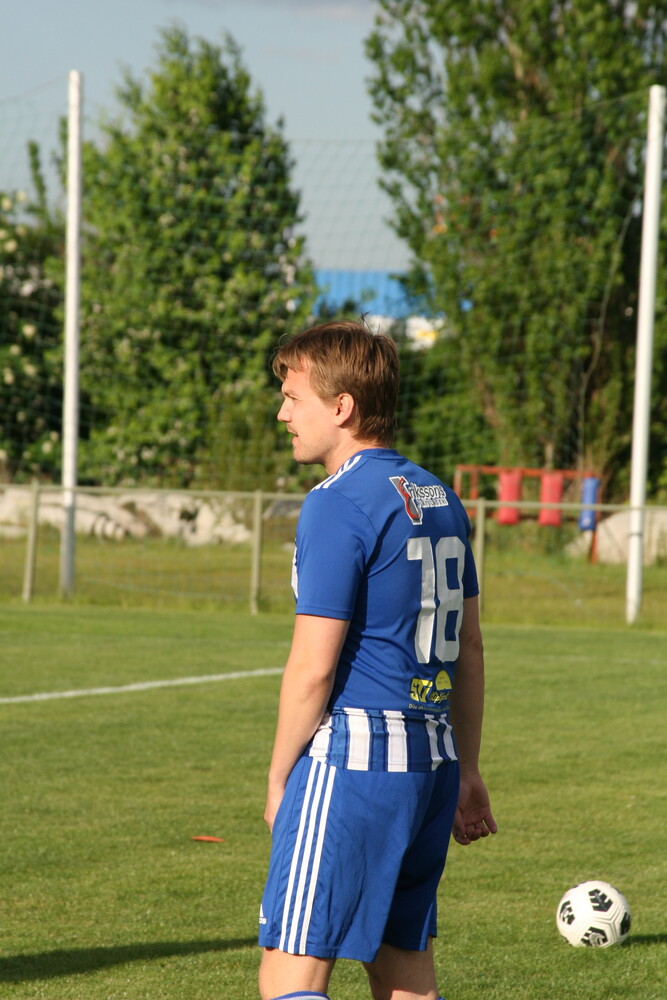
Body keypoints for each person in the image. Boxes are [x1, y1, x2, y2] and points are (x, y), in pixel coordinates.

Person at [258, 319, 496, 1000]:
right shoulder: (440, 497)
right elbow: (470, 648)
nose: (282, 414)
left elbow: (313, 667)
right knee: (402, 973)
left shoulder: (336, 503)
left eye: (293, 398)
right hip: (431, 767)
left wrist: (279, 778)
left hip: (356, 766)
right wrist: (467, 769)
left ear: (341, 407)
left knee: (290, 973)